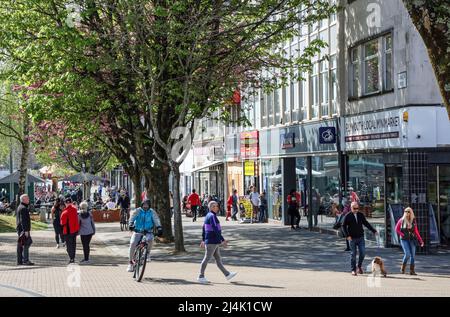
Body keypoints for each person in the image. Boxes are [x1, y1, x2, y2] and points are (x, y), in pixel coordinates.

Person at [197, 201, 237, 284]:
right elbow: (216, 229)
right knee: (206, 258)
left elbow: (204, 228)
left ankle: (227, 274)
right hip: (212, 241)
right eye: (215, 206)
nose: (217, 208)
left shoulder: (209, 215)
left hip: (212, 241)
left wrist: (204, 240)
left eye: (217, 206)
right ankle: (201, 276)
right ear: (211, 207)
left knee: (218, 259)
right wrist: (222, 240)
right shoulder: (212, 216)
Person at [341, 202, 377, 276]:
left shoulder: (360, 215)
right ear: (351, 208)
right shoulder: (348, 216)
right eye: (354, 208)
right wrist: (347, 236)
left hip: (360, 237)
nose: (356, 210)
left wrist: (373, 230)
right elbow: (343, 226)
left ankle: (359, 266)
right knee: (353, 254)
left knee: (363, 253)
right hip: (352, 238)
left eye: (357, 208)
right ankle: (353, 270)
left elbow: (366, 223)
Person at [127, 199, 163, 272]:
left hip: (148, 231)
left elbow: (156, 220)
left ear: (149, 206)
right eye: (144, 205)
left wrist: (159, 227)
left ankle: (148, 253)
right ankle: (130, 263)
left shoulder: (152, 212)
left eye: (147, 205)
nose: (145, 206)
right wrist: (130, 224)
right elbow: (132, 218)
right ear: (142, 205)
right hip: (138, 231)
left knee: (150, 239)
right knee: (133, 243)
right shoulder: (138, 211)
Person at [395, 207, 424, 275]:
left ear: (411, 213)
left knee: (413, 255)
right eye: (406, 211)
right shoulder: (401, 220)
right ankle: (402, 268)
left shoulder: (413, 221)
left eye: (408, 211)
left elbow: (416, 231)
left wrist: (421, 240)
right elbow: (396, 229)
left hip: (412, 239)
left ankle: (412, 270)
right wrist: (402, 234)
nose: (407, 213)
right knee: (407, 254)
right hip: (404, 239)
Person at [16, 194, 34, 265]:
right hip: (23, 230)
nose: (28, 199)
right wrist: (26, 231)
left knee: (22, 244)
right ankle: (25, 260)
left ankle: (20, 260)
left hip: (21, 229)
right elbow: (23, 220)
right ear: (23, 200)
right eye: (27, 198)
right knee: (27, 243)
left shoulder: (21, 207)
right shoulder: (23, 208)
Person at [60, 198, 80, 264]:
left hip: (67, 231)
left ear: (65, 204)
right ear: (71, 203)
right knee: (73, 245)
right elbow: (77, 221)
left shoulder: (64, 212)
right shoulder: (75, 210)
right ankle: (73, 257)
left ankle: (71, 258)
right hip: (74, 230)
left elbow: (62, 223)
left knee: (68, 246)